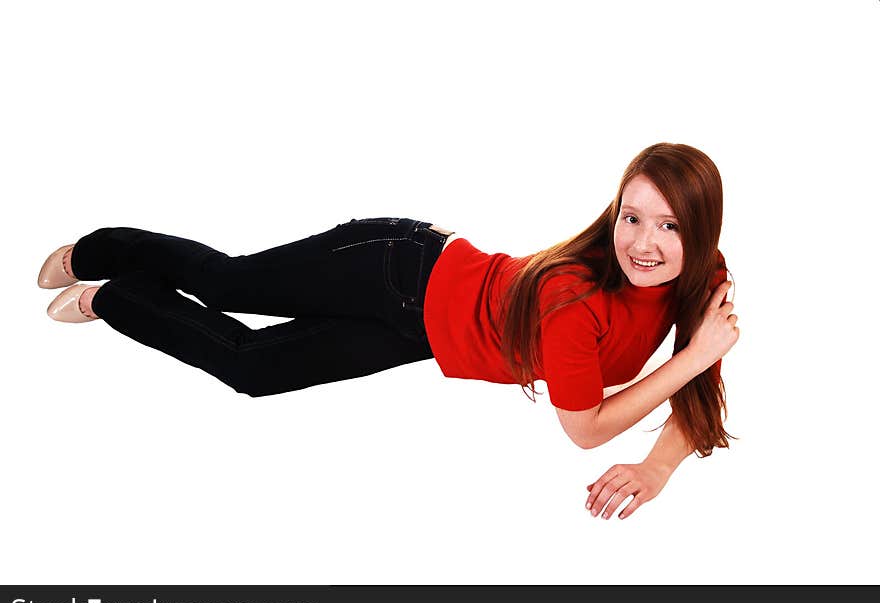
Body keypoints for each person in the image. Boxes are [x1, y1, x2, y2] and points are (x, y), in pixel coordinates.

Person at [37, 142, 739, 520]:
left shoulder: (704, 278)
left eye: (671, 224)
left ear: (701, 231)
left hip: (426, 330)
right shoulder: (574, 300)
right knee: (230, 283)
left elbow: (696, 387)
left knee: (252, 369)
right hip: (397, 267)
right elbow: (585, 426)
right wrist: (696, 356)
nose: (643, 243)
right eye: (633, 217)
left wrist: (658, 464)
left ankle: (117, 301)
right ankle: (101, 248)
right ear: (615, 212)